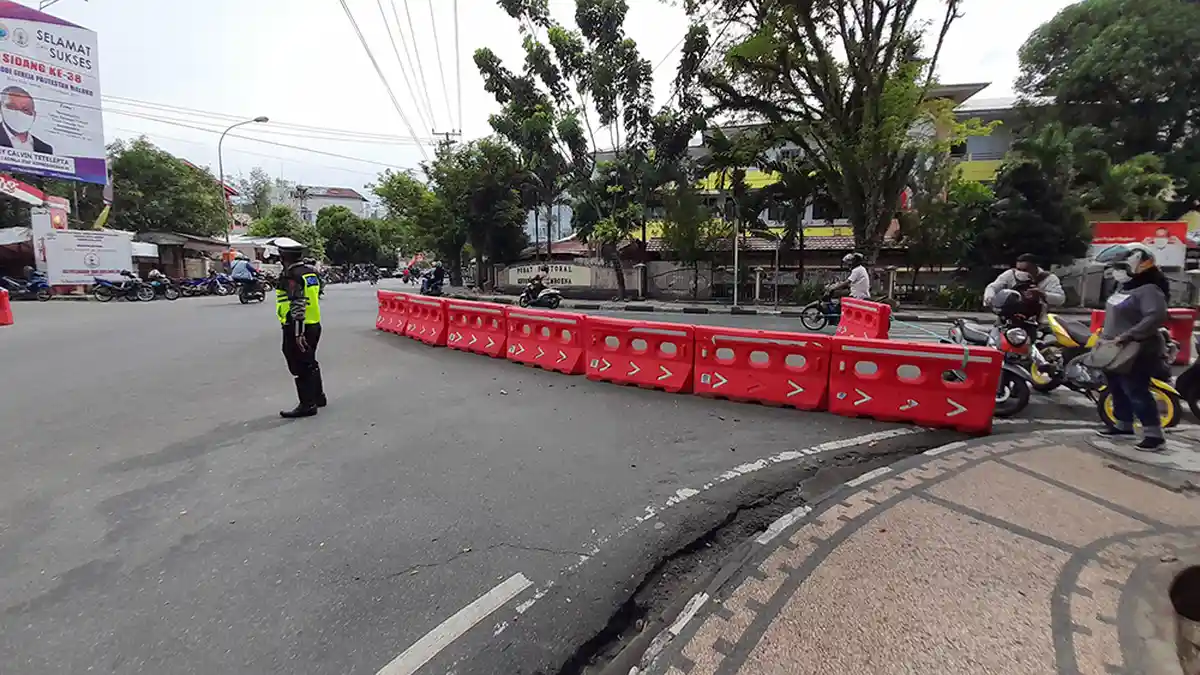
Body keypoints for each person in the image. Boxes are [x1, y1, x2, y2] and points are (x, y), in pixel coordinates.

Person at [1093, 243, 1170, 450]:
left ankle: (1154, 436)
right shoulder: (1122, 288)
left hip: (1137, 348)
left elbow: (1154, 317)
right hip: (1113, 346)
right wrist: (1104, 335)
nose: (1115, 270)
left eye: (1120, 266)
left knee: (1135, 389)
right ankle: (1123, 425)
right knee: (1116, 387)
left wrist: (1128, 336)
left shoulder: (1150, 291)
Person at [274, 237, 326, 418]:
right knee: (310, 360)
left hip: (298, 326)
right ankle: (318, 396)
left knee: (299, 364)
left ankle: (307, 404)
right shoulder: (310, 273)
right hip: (314, 323)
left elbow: (297, 303)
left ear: (284, 257)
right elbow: (317, 293)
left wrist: (297, 332)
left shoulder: (291, 276)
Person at [983, 253, 1065, 318]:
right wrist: (989, 298)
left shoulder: (1048, 278)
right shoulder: (1010, 274)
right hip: (1007, 317)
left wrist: (1042, 294)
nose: (1020, 273)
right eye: (1018, 269)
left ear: (1035, 267)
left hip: (1034, 319)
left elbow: (1060, 299)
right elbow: (993, 287)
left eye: (1025, 270)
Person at [0, 86, 53, 154]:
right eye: (12, 107)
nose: (18, 113)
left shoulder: (45, 148)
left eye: (25, 110)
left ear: (34, 115)